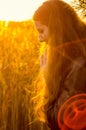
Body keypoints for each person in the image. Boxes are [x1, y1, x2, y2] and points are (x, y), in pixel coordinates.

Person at [32, 0, 86, 130]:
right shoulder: (72, 58)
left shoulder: (79, 66)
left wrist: (49, 81)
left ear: (57, 28)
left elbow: (62, 121)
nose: (40, 39)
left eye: (41, 31)